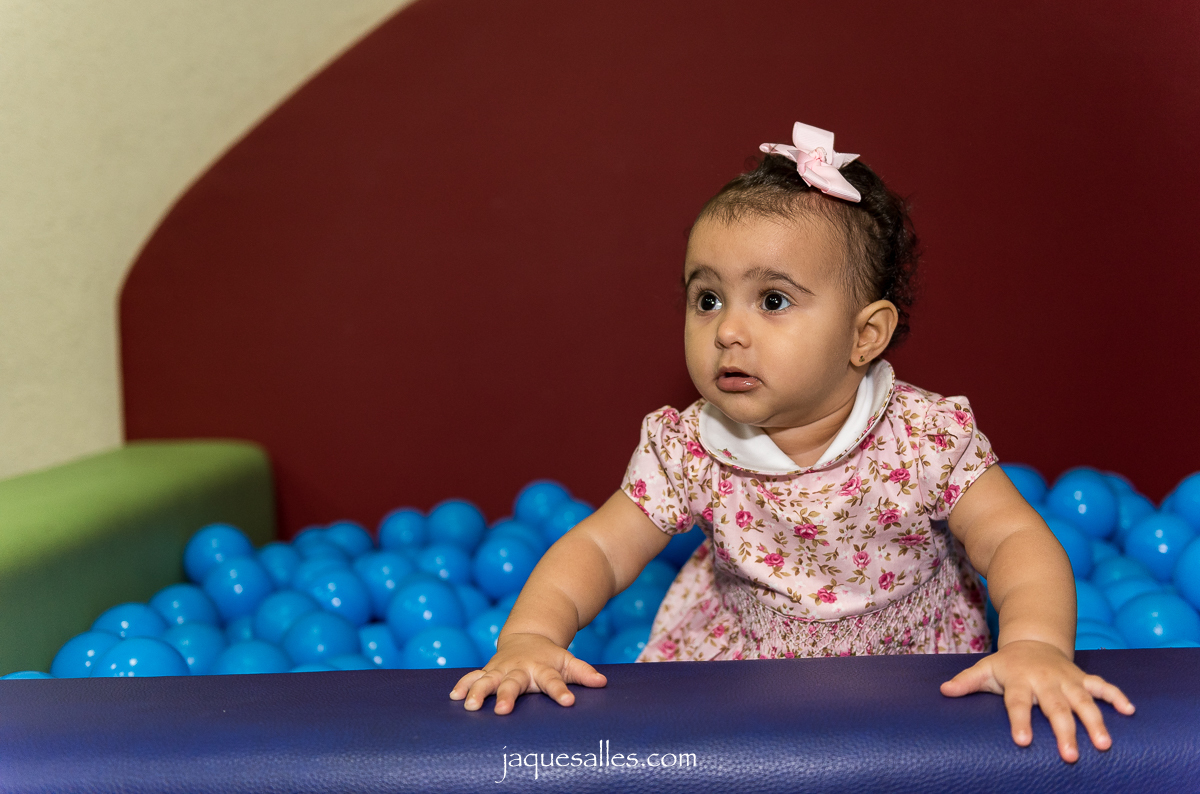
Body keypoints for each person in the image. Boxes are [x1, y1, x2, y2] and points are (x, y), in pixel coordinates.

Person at [450, 122, 1135, 762]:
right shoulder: (690, 447)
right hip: (737, 678)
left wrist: (1037, 646)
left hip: (912, 672)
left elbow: (1016, 541)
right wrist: (531, 638)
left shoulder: (923, 438)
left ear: (865, 335)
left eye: (772, 301)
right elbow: (599, 547)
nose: (727, 331)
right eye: (707, 298)